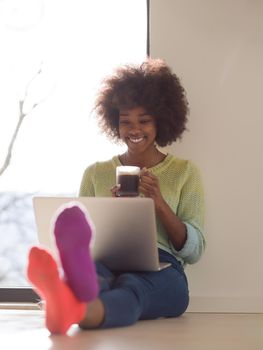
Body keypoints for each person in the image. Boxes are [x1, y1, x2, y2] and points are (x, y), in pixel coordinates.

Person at [27, 58, 205, 334]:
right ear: (114, 123)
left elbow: (194, 251)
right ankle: (74, 295)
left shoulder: (184, 172)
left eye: (144, 121)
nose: (134, 130)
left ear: (161, 121)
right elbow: (83, 237)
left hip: (163, 266)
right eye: (126, 122)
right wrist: (114, 212)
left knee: (134, 288)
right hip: (106, 259)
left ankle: (69, 303)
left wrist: (159, 204)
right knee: (97, 274)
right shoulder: (96, 173)